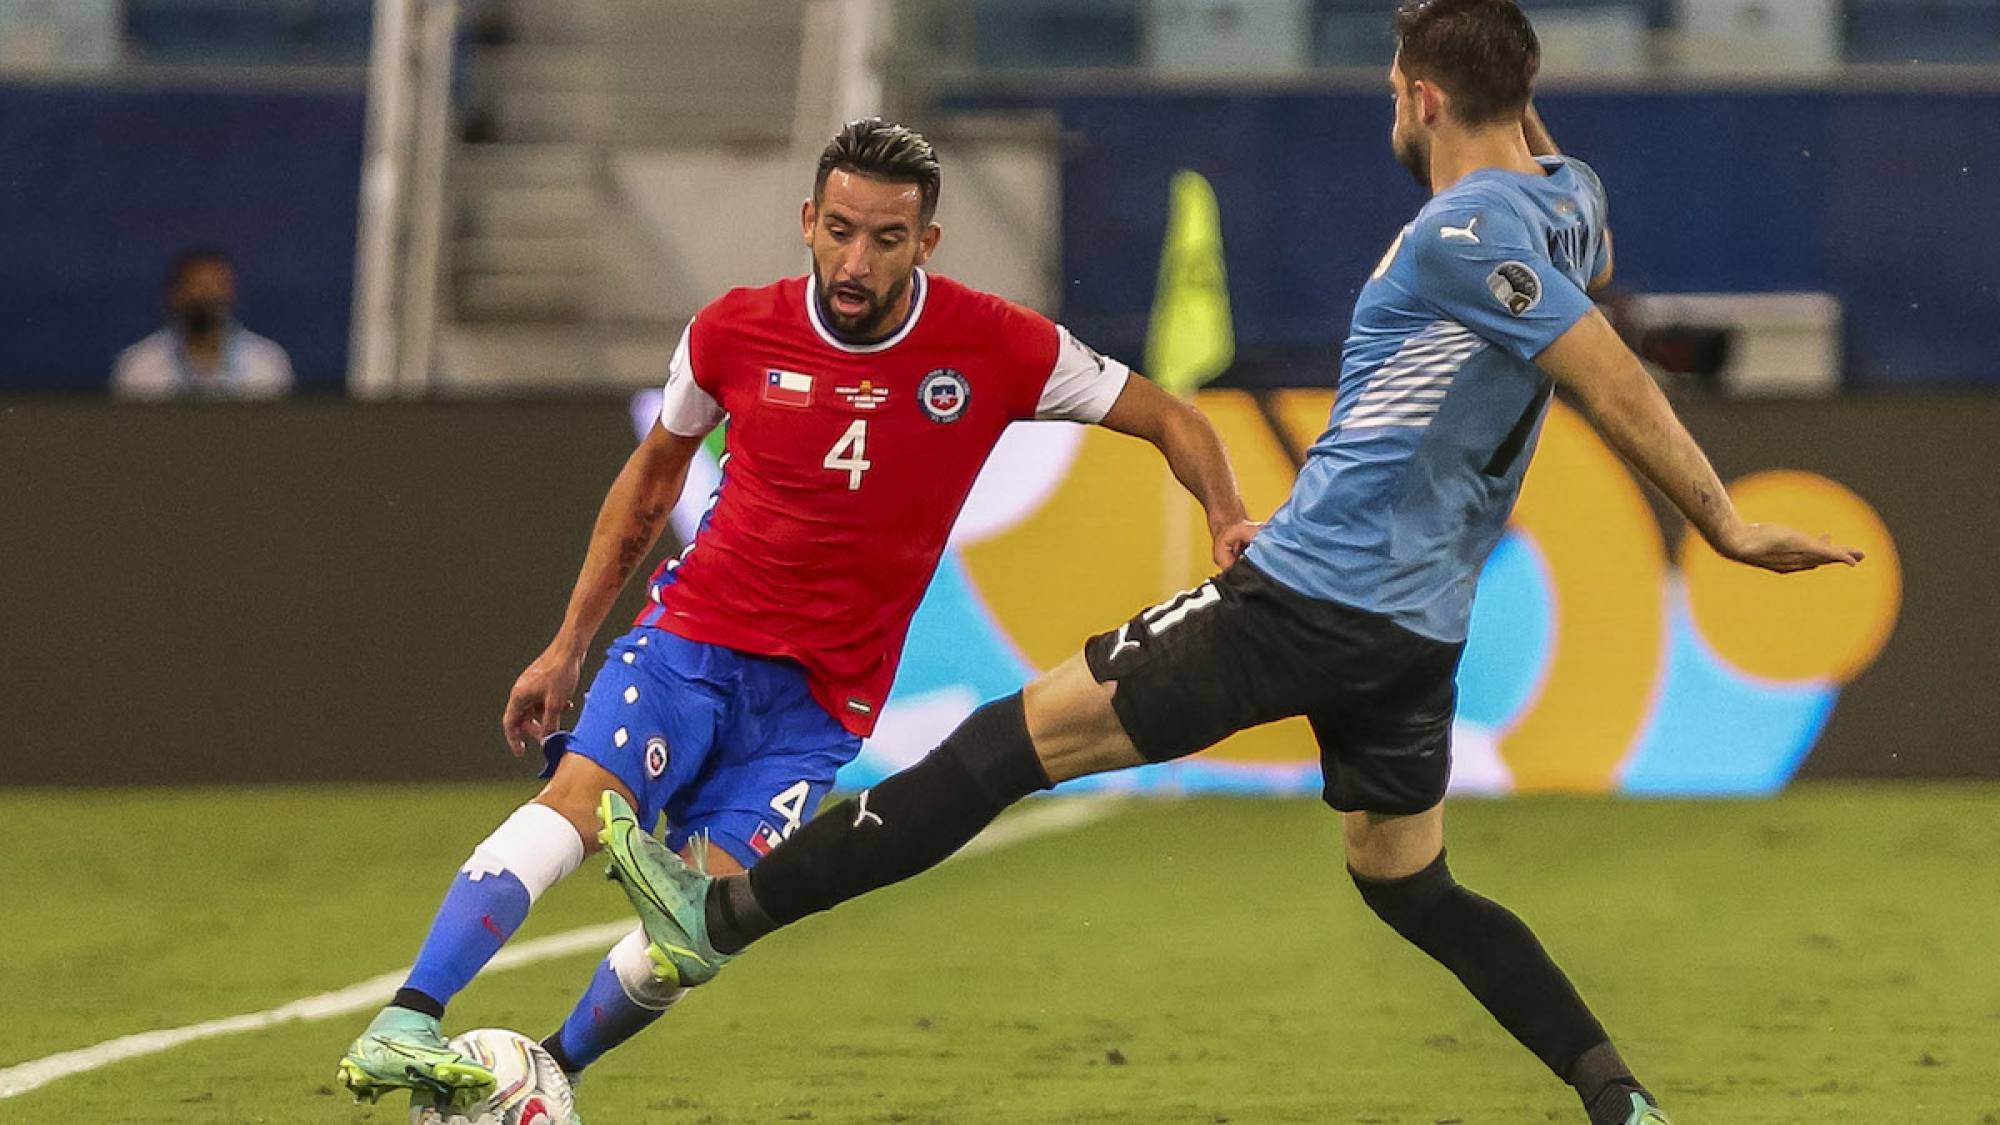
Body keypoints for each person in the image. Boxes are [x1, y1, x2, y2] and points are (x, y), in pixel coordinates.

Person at [594, 4, 1866, 1124]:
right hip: (1415, 634)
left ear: (1420, 97)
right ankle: (1616, 1096)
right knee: (1405, 880)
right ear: (1517, 91)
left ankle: (717, 918)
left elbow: (1599, 368)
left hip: (1310, 591)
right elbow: (1556, 232)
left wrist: (1719, 521)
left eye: (1392, 88)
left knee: (1000, 747)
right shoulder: (1568, 196)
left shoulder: (1461, 231)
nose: (1390, 106)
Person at [333, 118, 1254, 1118]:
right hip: (693, 645)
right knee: (579, 805)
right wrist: (567, 645)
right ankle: (411, 1015)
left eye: (886, 239)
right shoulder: (731, 331)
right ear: (807, 222)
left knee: (700, 931)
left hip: (819, 706)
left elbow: (1171, 415)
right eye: (841, 230)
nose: (856, 261)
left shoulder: (996, 345)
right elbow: (651, 486)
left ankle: (550, 1072)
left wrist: (1224, 515)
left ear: (927, 244)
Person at [111, 248, 294, 400]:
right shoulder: (139, 365)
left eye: (217, 286)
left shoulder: (267, 363)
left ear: (232, 294)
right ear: (174, 296)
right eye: (197, 287)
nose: (207, 297)